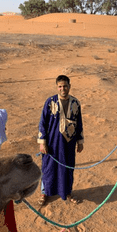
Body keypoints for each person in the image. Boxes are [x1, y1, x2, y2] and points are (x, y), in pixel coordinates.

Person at [37, 75, 84, 206]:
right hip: (52, 143)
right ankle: (44, 193)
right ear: (57, 87)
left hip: (69, 144)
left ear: (69, 86)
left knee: (67, 167)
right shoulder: (50, 102)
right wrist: (42, 142)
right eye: (60, 86)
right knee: (48, 168)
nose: (62, 88)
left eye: (65, 86)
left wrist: (80, 141)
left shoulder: (75, 103)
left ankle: (67, 192)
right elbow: (43, 123)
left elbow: (79, 123)